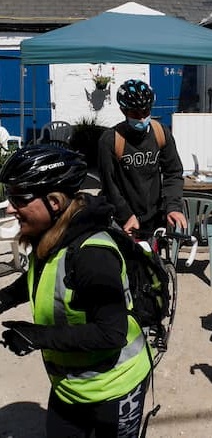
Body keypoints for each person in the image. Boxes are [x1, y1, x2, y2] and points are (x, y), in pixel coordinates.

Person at [0, 145, 151, 437]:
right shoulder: (51, 237)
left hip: (115, 386)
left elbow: (111, 333)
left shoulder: (92, 255)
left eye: (18, 198)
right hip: (69, 386)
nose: (9, 207)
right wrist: (3, 299)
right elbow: (37, 279)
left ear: (54, 203)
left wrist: (35, 336)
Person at [97, 79, 187, 235]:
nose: (141, 118)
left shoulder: (161, 133)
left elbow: (173, 173)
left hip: (154, 217)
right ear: (124, 111)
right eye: (135, 113)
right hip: (123, 220)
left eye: (146, 112)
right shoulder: (110, 140)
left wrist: (173, 207)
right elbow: (109, 186)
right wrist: (126, 215)